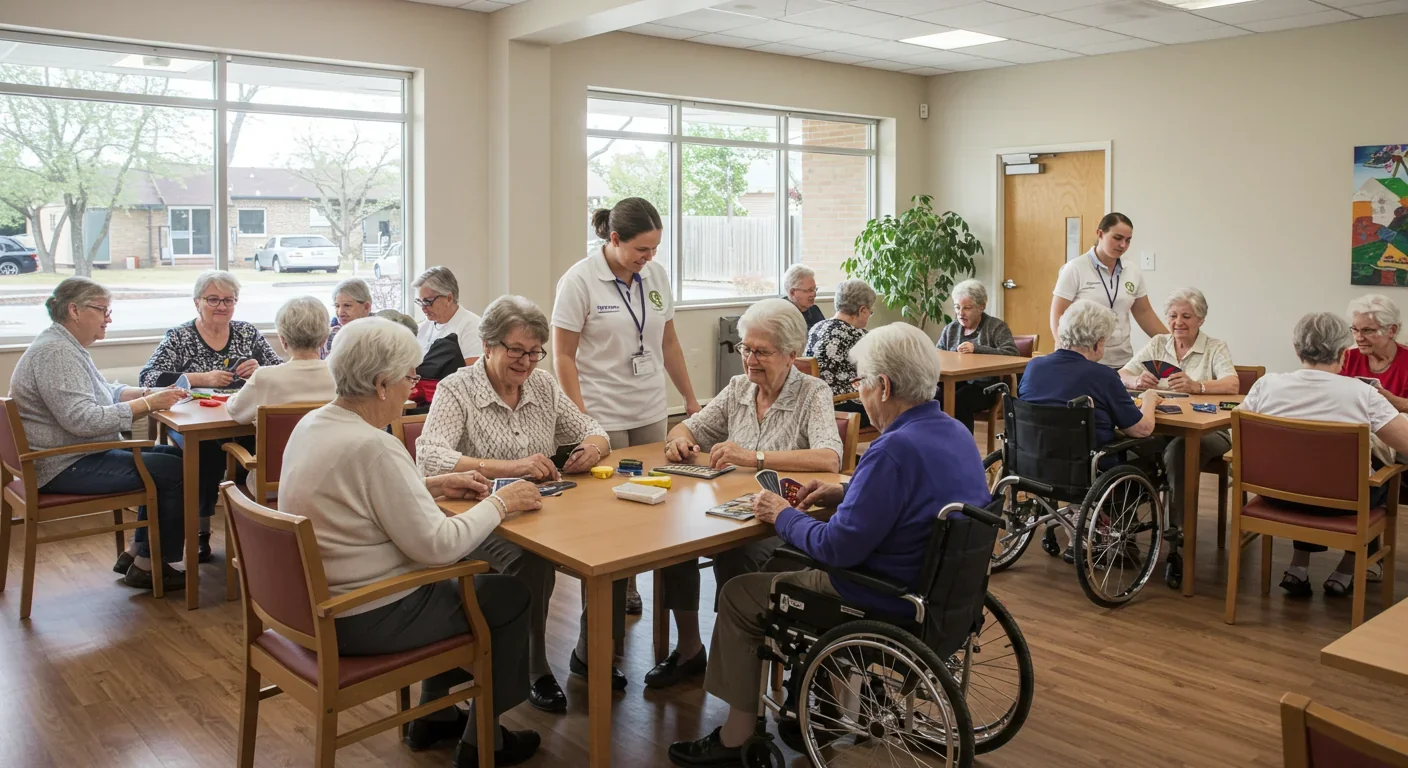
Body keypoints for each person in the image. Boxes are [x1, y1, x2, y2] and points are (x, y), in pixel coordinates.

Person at [666, 323, 991, 767]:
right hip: (940, 593)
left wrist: (782, 514)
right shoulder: (955, 433)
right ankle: (819, 697)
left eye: (861, 383)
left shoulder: (891, 449)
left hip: (878, 595)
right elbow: (914, 497)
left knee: (740, 593)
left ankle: (735, 733)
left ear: (885, 385)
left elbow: (835, 549)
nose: (860, 392)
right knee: (779, 564)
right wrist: (848, 490)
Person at [279, 317, 544, 767]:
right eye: (409, 377)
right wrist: (504, 501)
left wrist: (436, 485)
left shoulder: (315, 424)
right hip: (362, 614)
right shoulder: (374, 446)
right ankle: (484, 742)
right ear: (382, 384)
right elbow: (440, 547)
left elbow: (362, 502)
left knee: (467, 592)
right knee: (508, 596)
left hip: (309, 606)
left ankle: (437, 714)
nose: (413, 386)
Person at [417, 295, 612, 714]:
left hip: (536, 513)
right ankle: (533, 667)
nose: (526, 362)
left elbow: (592, 429)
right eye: (516, 350)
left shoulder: (541, 385)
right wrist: (511, 466)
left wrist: (592, 450)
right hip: (473, 518)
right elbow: (430, 456)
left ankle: (594, 653)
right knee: (532, 561)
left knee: (606, 548)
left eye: (534, 352)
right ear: (488, 345)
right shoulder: (458, 388)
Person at [648, 299, 844, 690]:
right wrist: (678, 442)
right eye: (745, 349)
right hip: (726, 510)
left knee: (737, 554)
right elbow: (690, 427)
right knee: (670, 544)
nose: (750, 360)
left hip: (778, 521)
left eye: (762, 352)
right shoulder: (739, 388)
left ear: (792, 354)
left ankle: (741, 659)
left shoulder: (812, 392)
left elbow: (829, 456)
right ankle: (690, 649)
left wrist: (754, 457)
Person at [553, 197, 700, 619]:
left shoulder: (655, 276)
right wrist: (581, 419)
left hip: (651, 406)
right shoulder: (580, 280)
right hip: (602, 410)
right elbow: (563, 356)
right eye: (641, 249)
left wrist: (689, 399)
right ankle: (618, 590)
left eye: (654, 249)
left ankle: (641, 575)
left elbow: (667, 342)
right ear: (614, 239)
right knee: (612, 509)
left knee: (655, 495)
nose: (649, 257)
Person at [10, 277, 188, 591]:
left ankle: (137, 553)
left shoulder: (61, 344)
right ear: (74, 310)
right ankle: (150, 564)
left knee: (173, 457)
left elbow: (103, 392)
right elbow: (84, 420)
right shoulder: (57, 353)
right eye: (102, 310)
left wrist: (148, 392)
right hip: (61, 465)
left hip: (68, 455)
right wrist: (148, 404)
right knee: (175, 469)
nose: (108, 318)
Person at [1240, 312, 1408, 597]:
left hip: (1276, 496)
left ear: (1296, 348)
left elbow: (1242, 438)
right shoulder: (1362, 394)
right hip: (1343, 506)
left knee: (1302, 471)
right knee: (1385, 474)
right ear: (1344, 352)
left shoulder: (1265, 386)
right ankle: (1347, 567)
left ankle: (1298, 566)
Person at [138, 270, 282, 562]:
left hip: (240, 419)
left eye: (229, 300)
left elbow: (281, 370)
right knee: (207, 452)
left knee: (267, 448)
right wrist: (200, 377)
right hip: (194, 421)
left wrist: (261, 370)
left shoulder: (246, 332)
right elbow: (148, 377)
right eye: (213, 299)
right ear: (197, 302)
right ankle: (202, 532)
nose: (222, 306)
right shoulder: (180, 336)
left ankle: (258, 524)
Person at [1119, 287, 1238, 520]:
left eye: (1186, 316)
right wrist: (1136, 379)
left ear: (1201, 319)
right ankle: (1128, 523)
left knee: (1179, 450)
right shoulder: (1158, 343)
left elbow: (1232, 384)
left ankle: (1178, 527)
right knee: (1128, 446)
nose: (1178, 322)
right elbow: (1122, 373)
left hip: (1209, 430)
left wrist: (1197, 387)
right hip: (1163, 424)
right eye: (1173, 316)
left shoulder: (1215, 346)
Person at [1022, 300, 1161, 451]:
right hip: (1087, 467)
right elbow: (1141, 430)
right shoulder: (1103, 376)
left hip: (1032, 462)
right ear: (1099, 342)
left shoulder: (1033, 367)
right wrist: (1149, 399)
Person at [1050, 213, 1168, 368]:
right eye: (1117, 238)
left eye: (1128, 240)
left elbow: (1144, 313)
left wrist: (1172, 343)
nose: (1123, 245)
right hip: (1083, 360)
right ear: (1100, 234)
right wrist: (1063, 351)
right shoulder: (1075, 268)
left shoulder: (1132, 271)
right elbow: (1058, 313)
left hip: (1122, 359)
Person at [225, 296, 337, 425]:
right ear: (324, 339)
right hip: (325, 445)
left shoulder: (264, 377)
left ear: (283, 341)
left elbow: (237, 413)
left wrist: (232, 397)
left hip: (280, 446)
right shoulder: (342, 378)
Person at [935, 279, 1018, 433]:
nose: (960, 313)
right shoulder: (951, 329)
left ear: (982, 307)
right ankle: (937, 444)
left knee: (960, 400)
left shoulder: (996, 327)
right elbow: (937, 355)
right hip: (954, 383)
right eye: (957, 307)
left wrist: (977, 349)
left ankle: (963, 450)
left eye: (967, 308)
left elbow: (1012, 353)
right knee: (932, 396)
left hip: (985, 387)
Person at [805, 278, 875, 427]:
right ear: (862, 310)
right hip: (843, 407)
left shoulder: (817, 328)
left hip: (816, 405)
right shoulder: (857, 335)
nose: (869, 315)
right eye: (870, 311)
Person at [1341, 294, 1408, 412]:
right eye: (1355, 330)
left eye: (1367, 330)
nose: (1359, 338)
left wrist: (1389, 400)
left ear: (1391, 330)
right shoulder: (1347, 357)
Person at [413, 266, 483, 365]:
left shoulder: (472, 327)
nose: (423, 308)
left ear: (449, 299)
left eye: (428, 301)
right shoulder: (422, 328)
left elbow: (472, 373)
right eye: (420, 302)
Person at [322, 277, 374, 359]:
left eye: (347, 305)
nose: (340, 312)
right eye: (337, 306)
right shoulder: (331, 336)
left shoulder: (380, 336)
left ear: (366, 307)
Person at [783, 264, 824, 329]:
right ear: (792, 293)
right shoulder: (783, 315)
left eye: (814, 289)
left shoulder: (814, 310)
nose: (814, 294)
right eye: (809, 290)